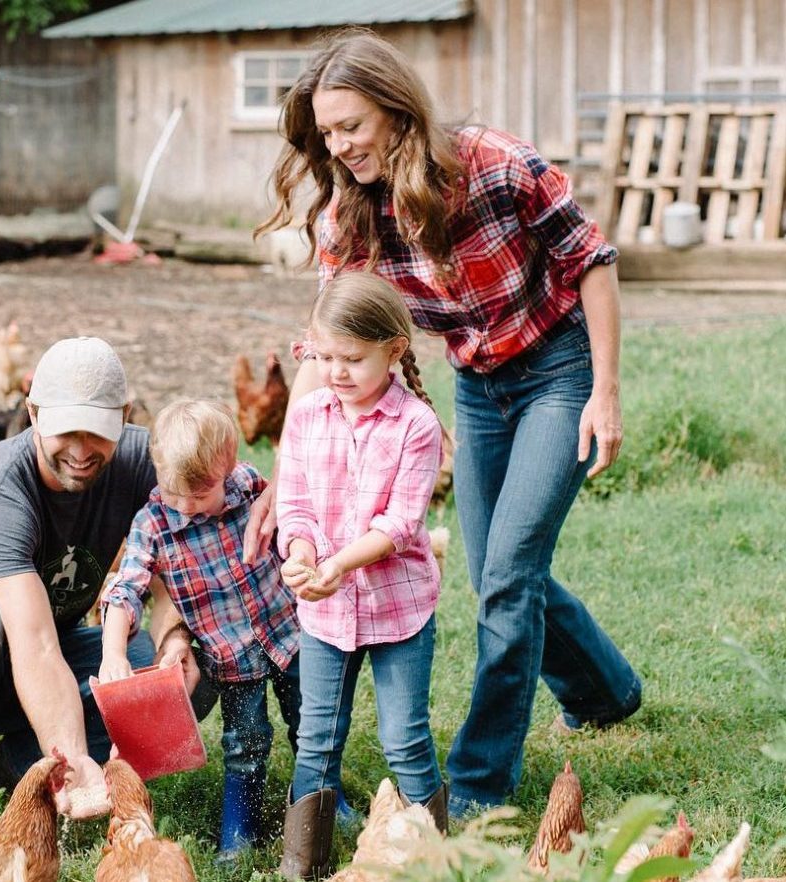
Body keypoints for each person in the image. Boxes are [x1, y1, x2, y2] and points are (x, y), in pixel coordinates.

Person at [249, 28, 642, 823]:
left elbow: (590, 261)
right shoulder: (348, 215)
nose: (338, 145)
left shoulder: (493, 164)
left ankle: (479, 782)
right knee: (497, 570)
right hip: (478, 385)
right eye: (326, 133)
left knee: (505, 575)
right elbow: (329, 336)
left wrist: (604, 390)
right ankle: (606, 690)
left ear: (395, 110)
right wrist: (286, 472)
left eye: (350, 126)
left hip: (557, 370)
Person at [0, 336, 197, 804]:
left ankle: (20, 762)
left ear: (125, 418)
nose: (82, 450)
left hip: (36, 657)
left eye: (98, 432)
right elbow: (36, 644)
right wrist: (73, 758)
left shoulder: (138, 459)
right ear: (34, 413)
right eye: (67, 430)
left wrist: (175, 638)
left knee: (173, 667)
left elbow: (184, 559)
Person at [275, 272, 446, 878]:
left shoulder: (416, 427)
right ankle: (303, 865)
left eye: (352, 359)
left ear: (394, 350)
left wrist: (335, 565)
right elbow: (293, 503)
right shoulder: (307, 416)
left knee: (404, 740)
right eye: (323, 358)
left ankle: (433, 859)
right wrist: (299, 554)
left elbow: (400, 523)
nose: (335, 373)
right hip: (323, 610)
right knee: (317, 738)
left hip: (398, 610)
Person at [98, 398, 302, 858]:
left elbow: (291, 521)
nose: (187, 506)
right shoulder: (152, 525)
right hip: (232, 660)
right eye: (175, 493)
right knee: (245, 743)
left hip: (290, 636)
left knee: (310, 726)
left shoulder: (249, 486)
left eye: (201, 493)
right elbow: (124, 591)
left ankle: (321, 798)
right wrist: (114, 652)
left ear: (228, 468)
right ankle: (241, 829)